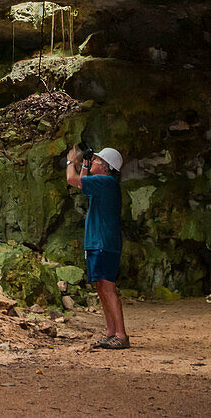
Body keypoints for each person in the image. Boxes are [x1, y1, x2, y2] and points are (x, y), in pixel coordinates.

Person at [66, 144, 129, 349]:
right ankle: (112, 333)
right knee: (101, 287)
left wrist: (70, 161)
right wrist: (84, 163)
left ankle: (121, 334)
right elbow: (83, 186)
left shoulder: (106, 182)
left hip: (104, 242)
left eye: (96, 160)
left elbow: (72, 180)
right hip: (99, 242)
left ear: (105, 166)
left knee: (108, 288)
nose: (93, 161)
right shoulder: (102, 182)